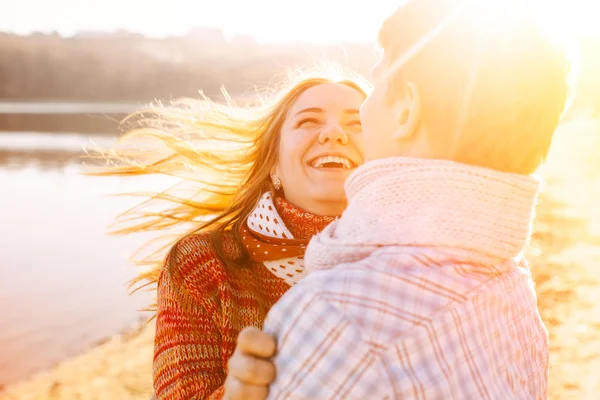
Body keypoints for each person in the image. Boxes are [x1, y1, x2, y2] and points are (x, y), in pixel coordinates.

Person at [262, 1, 571, 399]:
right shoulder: (513, 282)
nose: (345, 128)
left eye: (373, 89)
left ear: (407, 108)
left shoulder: (337, 316)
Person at [90, 66, 370, 399]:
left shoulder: (414, 261)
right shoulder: (201, 263)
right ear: (273, 163)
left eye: (358, 123)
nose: (334, 133)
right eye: (308, 121)